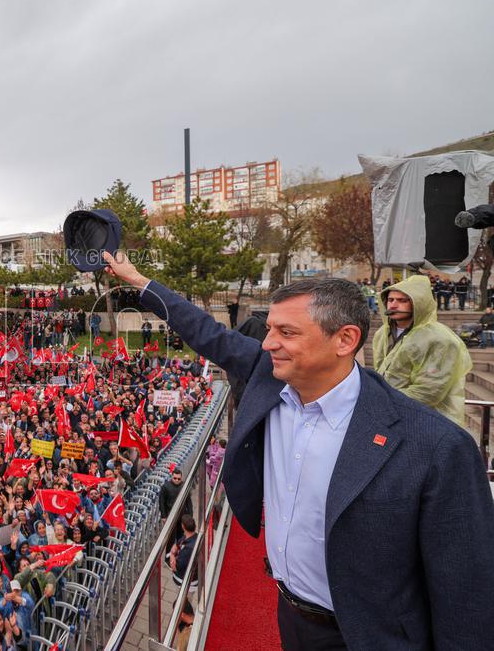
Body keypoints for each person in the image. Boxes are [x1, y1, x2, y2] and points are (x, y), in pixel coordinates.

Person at [103, 250, 494, 650]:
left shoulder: (437, 447)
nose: (268, 343)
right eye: (270, 329)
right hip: (289, 614)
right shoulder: (266, 375)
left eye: (286, 333)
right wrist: (138, 281)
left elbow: (467, 597)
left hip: (371, 635)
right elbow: (204, 330)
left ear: (345, 339)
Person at [373, 275, 472, 426]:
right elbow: (380, 373)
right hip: (390, 418)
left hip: (429, 422)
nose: (393, 305)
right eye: (391, 300)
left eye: (402, 301)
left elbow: (430, 392)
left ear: (419, 304)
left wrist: (382, 399)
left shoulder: (440, 339)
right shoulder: (382, 333)